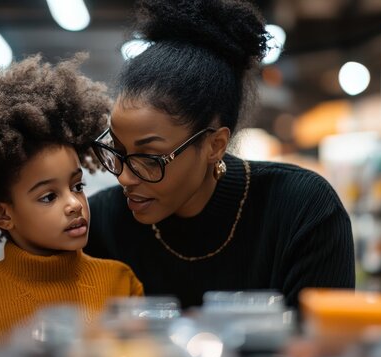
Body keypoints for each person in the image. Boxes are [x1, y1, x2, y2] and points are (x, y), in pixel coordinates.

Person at [85, 0, 355, 309]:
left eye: (150, 158)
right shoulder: (104, 224)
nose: (123, 176)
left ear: (215, 145)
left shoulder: (303, 210)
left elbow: (323, 347)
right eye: (117, 150)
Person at [0, 54, 144, 357]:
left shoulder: (119, 283)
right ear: (2, 214)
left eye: (77, 186)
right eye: (49, 196)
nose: (74, 204)